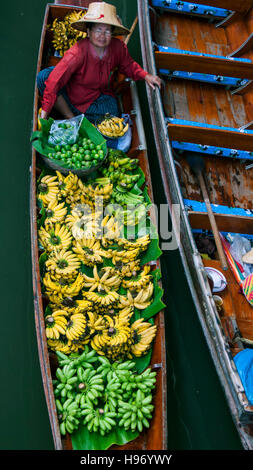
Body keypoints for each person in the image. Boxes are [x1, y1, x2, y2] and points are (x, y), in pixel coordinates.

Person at [37, 2, 162, 123]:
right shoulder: (78, 52)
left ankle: (82, 120)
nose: (102, 35)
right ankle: (71, 118)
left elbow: (128, 65)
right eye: (98, 30)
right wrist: (44, 116)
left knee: (114, 113)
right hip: (70, 97)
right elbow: (54, 80)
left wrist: (146, 76)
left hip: (94, 98)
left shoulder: (118, 48)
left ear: (112, 33)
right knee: (45, 78)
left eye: (107, 31)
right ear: (89, 32)